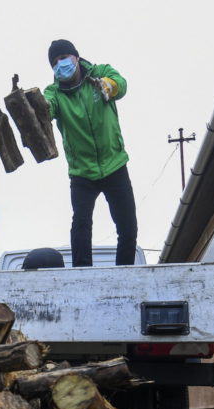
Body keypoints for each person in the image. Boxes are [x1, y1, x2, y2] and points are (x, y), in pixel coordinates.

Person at [43, 39, 138, 267]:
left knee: (128, 227)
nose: (60, 65)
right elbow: (47, 106)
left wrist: (109, 85)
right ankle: (82, 273)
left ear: (76, 57)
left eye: (64, 58)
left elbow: (121, 84)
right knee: (81, 224)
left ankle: (124, 272)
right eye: (55, 63)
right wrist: (40, 107)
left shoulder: (100, 72)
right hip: (82, 172)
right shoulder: (54, 92)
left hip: (114, 163)